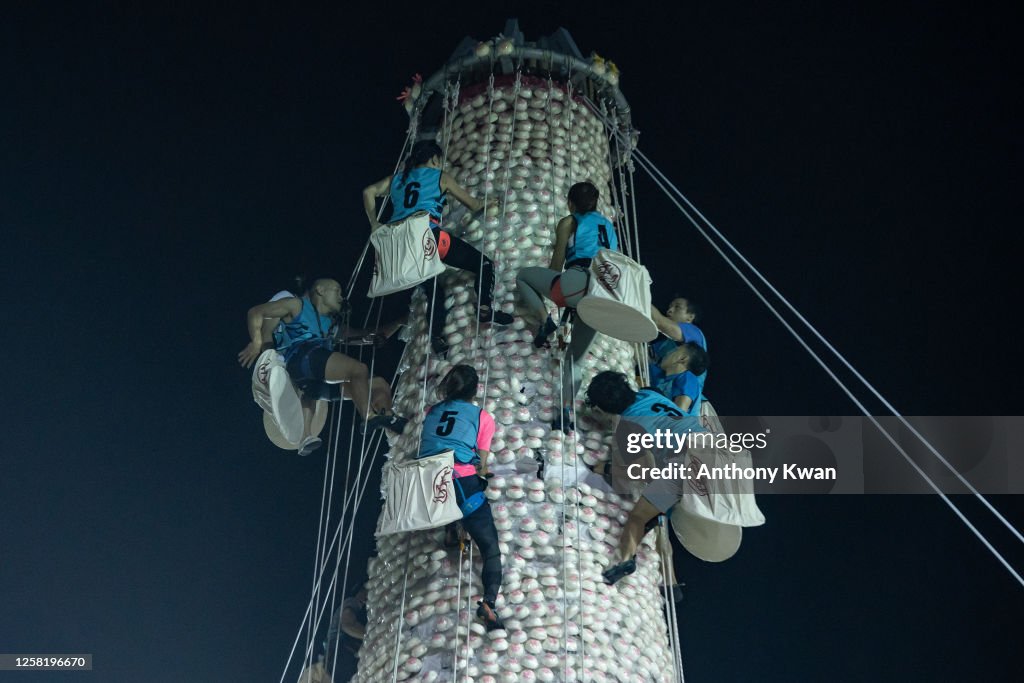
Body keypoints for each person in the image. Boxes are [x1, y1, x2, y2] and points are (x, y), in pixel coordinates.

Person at [362, 140, 513, 355]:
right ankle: (485, 308)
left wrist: (374, 223)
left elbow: (368, 191)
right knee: (484, 264)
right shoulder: (439, 176)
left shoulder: (397, 179)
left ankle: (436, 338)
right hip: (428, 237)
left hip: (402, 247)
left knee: (434, 291)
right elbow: (473, 205)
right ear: (434, 159)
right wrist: (489, 202)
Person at [238, 278, 407, 455]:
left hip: (311, 378)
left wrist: (401, 321)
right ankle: (370, 417)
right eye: (337, 291)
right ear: (320, 290)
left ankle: (385, 418)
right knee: (358, 370)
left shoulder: (332, 327)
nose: (341, 297)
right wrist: (257, 343)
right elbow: (256, 312)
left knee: (378, 384)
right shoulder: (297, 305)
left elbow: (370, 335)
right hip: (301, 358)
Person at [584, 371, 705, 586]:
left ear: (601, 410)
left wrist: (605, 468)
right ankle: (668, 577)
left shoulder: (627, 427)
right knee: (656, 510)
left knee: (638, 517)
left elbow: (642, 472)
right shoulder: (649, 393)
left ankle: (624, 560)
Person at [515, 181, 619, 431]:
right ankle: (565, 411)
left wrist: (554, 285)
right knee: (575, 361)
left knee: (524, 276)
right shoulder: (608, 226)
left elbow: (556, 264)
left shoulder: (569, 222)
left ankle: (545, 321)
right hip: (603, 295)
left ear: (570, 203)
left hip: (577, 281)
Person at [417, 364, 504, 630]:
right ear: (475, 390)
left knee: (446, 499)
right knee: (490, 548)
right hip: (459, 481)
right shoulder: (482, 417)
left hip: (426, 482)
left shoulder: (432, 411)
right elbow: (482, 464)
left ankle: (451, 532)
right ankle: (489, 603)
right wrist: (483, 474)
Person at [649, 297, 709, 414]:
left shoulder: (694, 333)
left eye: (677, 307)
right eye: (669, 307)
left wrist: (638, 297)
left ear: (690, 317)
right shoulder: (664, 345)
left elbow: (659, 321)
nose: (669, 310)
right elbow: (643, 356)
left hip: (691, 408)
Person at [651, 341, 710, 417]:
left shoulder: (688, 379)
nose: (667, 352)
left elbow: (677, 417)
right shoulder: (660, 376)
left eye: (674, 350)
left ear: (682, 359)